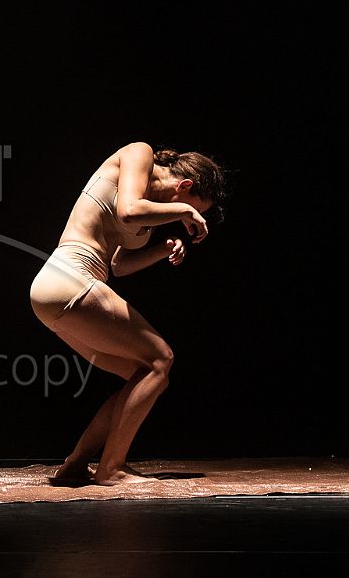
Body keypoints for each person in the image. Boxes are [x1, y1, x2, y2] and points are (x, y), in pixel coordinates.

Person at [28, 141, 229, 486]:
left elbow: (119, 266)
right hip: (70, 277)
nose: (186, 218)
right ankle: (112, 468)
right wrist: (184, 212)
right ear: (184, 186)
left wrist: (162, 248)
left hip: (60, 292)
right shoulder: (140, 153)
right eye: (193, 209)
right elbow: (128, 212)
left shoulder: (147, 211)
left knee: (144, 375)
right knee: (161, 359)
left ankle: (76, 463)